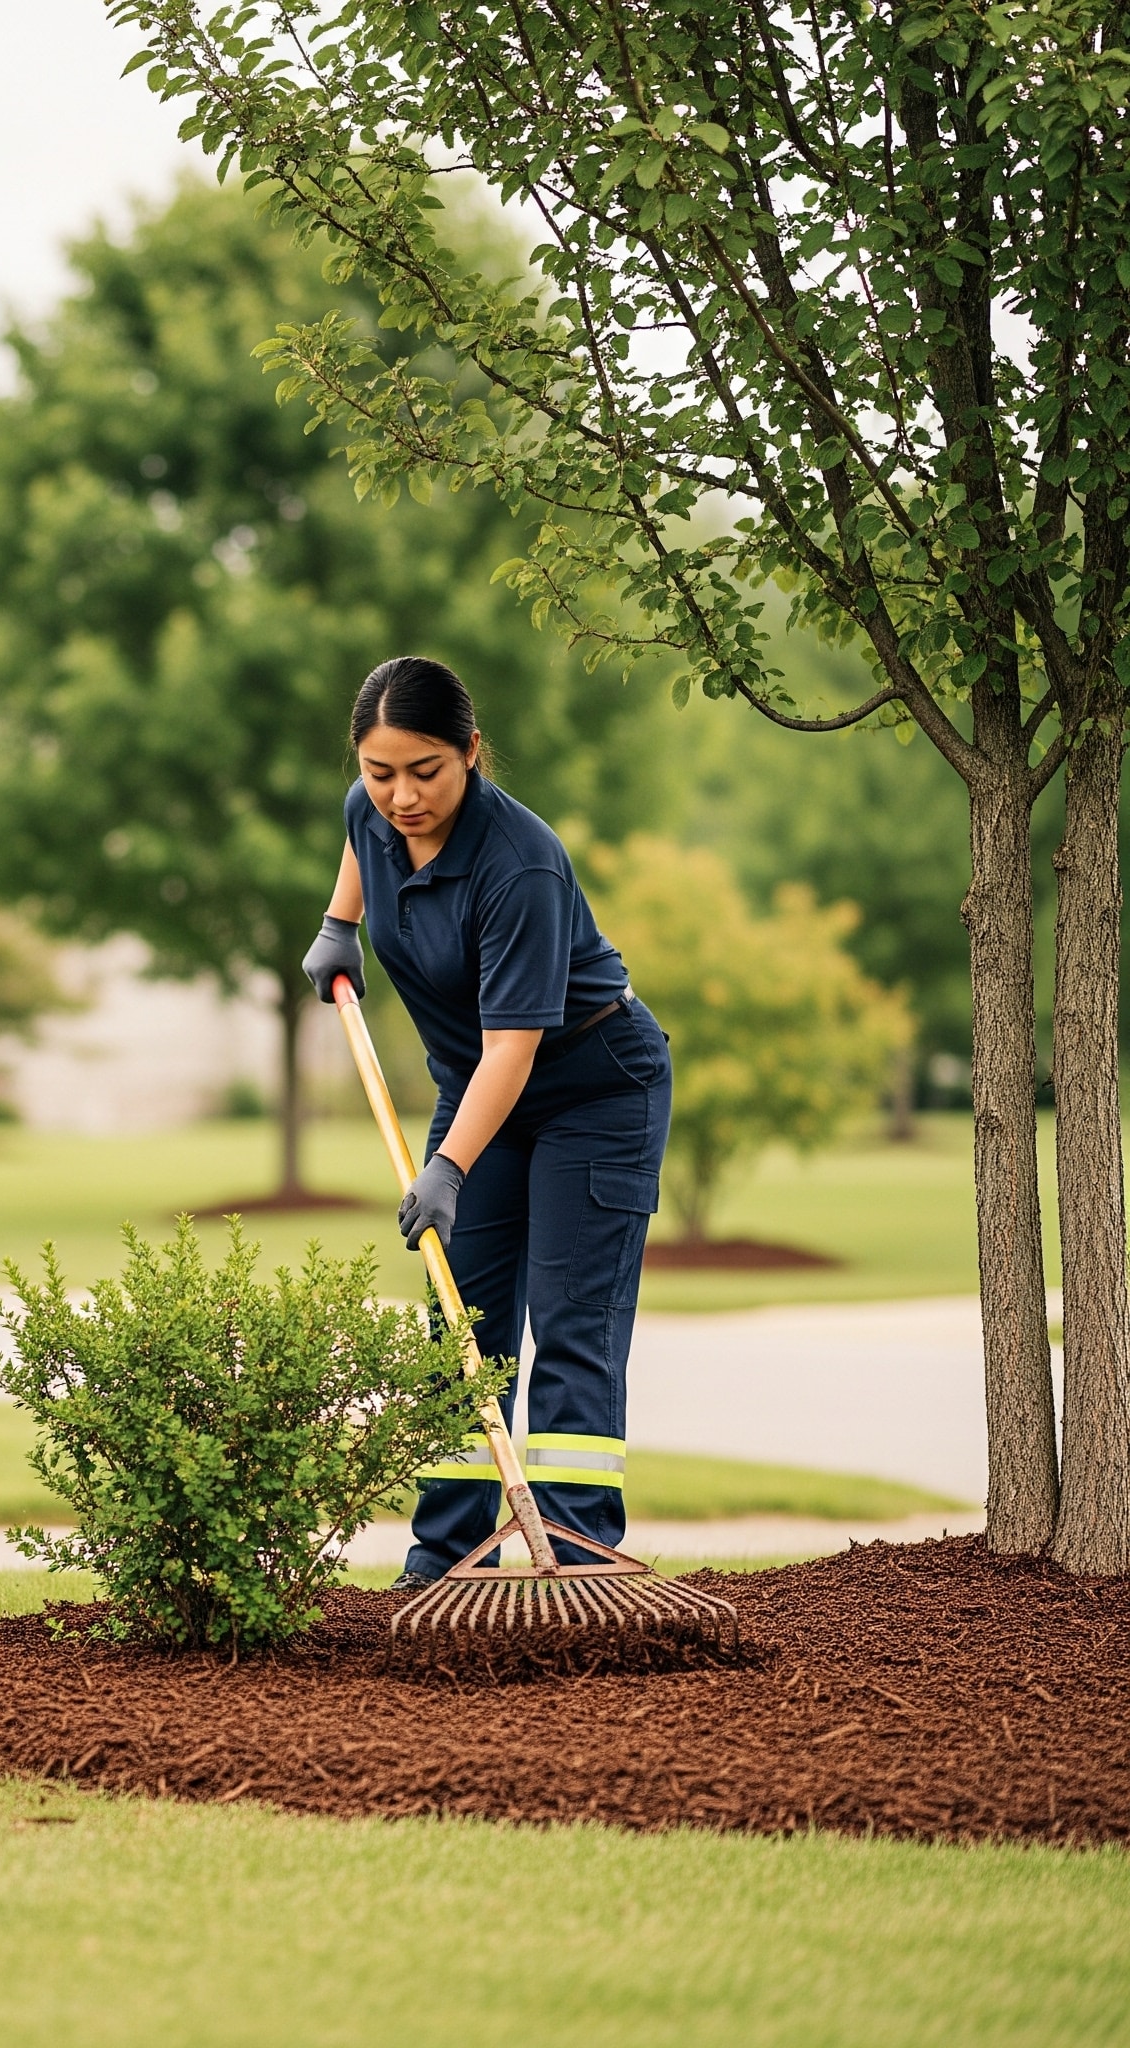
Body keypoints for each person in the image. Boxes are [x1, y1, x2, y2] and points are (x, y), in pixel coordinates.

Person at [302, 656, 670, 1585]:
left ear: (471, 752)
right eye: (380, 772)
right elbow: (360, 842)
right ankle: (449, 1552)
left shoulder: (521, 867)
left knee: (572, 1318)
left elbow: (513, 1047)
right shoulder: (370, 809)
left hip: (594, 1089)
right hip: (479, 1092)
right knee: (461, 1324)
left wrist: (449, 1169)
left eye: (424, 770)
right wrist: (341, 922)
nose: (400, 796)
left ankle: (579, 1553)